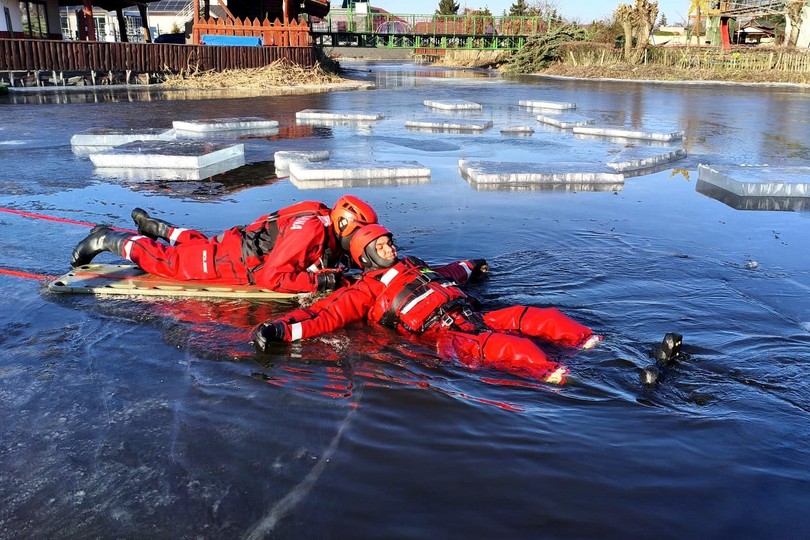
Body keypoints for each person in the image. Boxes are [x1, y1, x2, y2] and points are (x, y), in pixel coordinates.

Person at [253, 224, 601, 384]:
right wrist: (281, 329)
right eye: (382, 245)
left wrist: (471, 266)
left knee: (539, 317)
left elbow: (447, 272)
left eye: (390, 241)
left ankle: (590, 344)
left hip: (472, 313)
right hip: (443, 337)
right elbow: (323, 315)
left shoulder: (414, 264)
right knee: (506, 347)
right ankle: (555, 375)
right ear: (367, 254)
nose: (391, 247)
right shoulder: (363, 291)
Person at [70, 195, 378, 293]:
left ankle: (155, 227)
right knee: (170, 263)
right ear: (342, 224)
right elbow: (272, 277)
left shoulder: (318, 213)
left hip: (236, 245)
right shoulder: (309, 232)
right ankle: (107, 237)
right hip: (233, 263)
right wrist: (317, 281)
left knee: (199, 245)